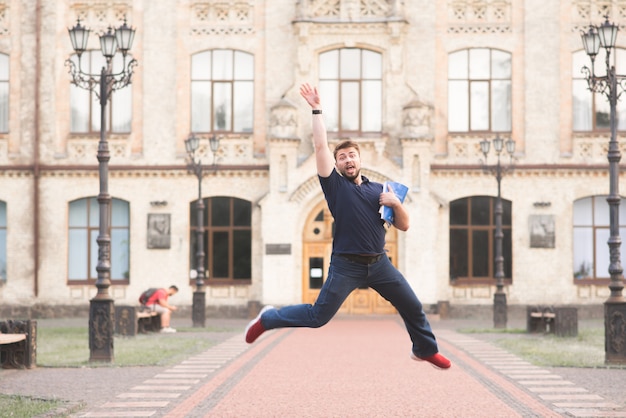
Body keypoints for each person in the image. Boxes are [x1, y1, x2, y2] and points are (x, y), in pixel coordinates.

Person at [244, 83, 451, 370]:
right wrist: (316, 109)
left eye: (351, 155)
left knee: (412, 306)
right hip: (346, 265)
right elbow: (319, 145)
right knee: (318, 317)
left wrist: (397, 204)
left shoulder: (381, 189)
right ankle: (268, 319)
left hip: (380, 265)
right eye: (341, 157)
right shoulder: (335, 186)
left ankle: (425, 349)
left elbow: (403, 226)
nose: (347, 160)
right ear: (337, 164)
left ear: (359, 158)